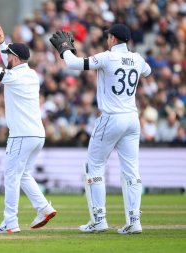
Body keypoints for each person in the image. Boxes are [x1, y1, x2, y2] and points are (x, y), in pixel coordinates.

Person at [49, 23, 151, 234]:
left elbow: (73, 64)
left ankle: (99, 219)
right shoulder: (138, 59)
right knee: (131, 170)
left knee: (93, 166)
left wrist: (65, 48)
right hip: (132, 118)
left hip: (112, 117)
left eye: (108, 37)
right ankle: (134, 221)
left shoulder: (107, 57)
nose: (107, 39)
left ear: (112, 38)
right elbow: (147, 72)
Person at [0, 21, 57, 234]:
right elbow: (9, 60)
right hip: (37, 135)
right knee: (23, 173)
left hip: (22, 135)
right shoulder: (31, 74)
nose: (7, 58)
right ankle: (44, 207)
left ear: (15, 58)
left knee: (12, 176)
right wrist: (1, 42)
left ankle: (10, 222)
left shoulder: (15, 77)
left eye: (8, 55)